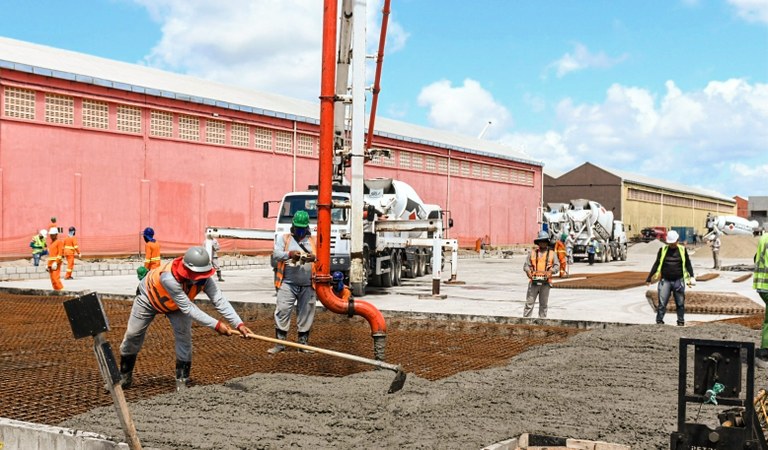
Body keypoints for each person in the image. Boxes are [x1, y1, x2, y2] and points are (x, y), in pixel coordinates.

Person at [118, 246, 254, 391]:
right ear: (187, 270)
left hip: (176, 307)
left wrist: (239, 324)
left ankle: (181, 383)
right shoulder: (169, 278)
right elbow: (188, 308)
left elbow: (219, 300)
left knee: (184, 339)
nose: (201, 279)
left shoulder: (204, 278)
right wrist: (216, 325)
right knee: (133, 335)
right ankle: (125, 377)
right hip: (149, 299)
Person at [269, 210, 317, 354]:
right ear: (293, 226)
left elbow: (322, 257)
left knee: (306, 312)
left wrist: (312, 257)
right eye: (298, 228)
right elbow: (276, 254)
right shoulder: (284, 239)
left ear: (307, 227)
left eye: (303, 228)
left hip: (308, 284)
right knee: (283, 310)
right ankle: (280, 343)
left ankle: (303, 344)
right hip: (287, 283)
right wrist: (289, 254)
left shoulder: (313, 240)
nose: (300, 231)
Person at [645, 230, 694, 326]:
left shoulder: (682, 250)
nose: (671, 245)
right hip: (665, 280)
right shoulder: (663, 250)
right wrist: (649, 278)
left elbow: (688, 264)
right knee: (662, 303)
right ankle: (659, 321)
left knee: (680, 303)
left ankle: (680, 321)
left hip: (678, 280)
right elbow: (657, 264)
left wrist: (691, 276)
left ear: (677, 240)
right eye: (670, 243)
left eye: (673, 243)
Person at [523, 230, 559, 319]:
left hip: (545, 283)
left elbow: (557, 266)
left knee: (543, 304)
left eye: (544, 241)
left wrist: (551, 271)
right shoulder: (532, 253)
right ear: (538, 242)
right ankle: (526, 321)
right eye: (541, 241)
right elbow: (526, 265)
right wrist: (528, 272)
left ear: (547, 242)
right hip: (533, 282)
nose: (542, 243)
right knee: (529, 303)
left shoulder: (552, 254)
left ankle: (542, 321)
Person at [754, 233, 768, 368]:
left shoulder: (764, 237)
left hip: (762, 286)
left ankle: (764, 351)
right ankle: (764, 353)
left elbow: (755, 258)